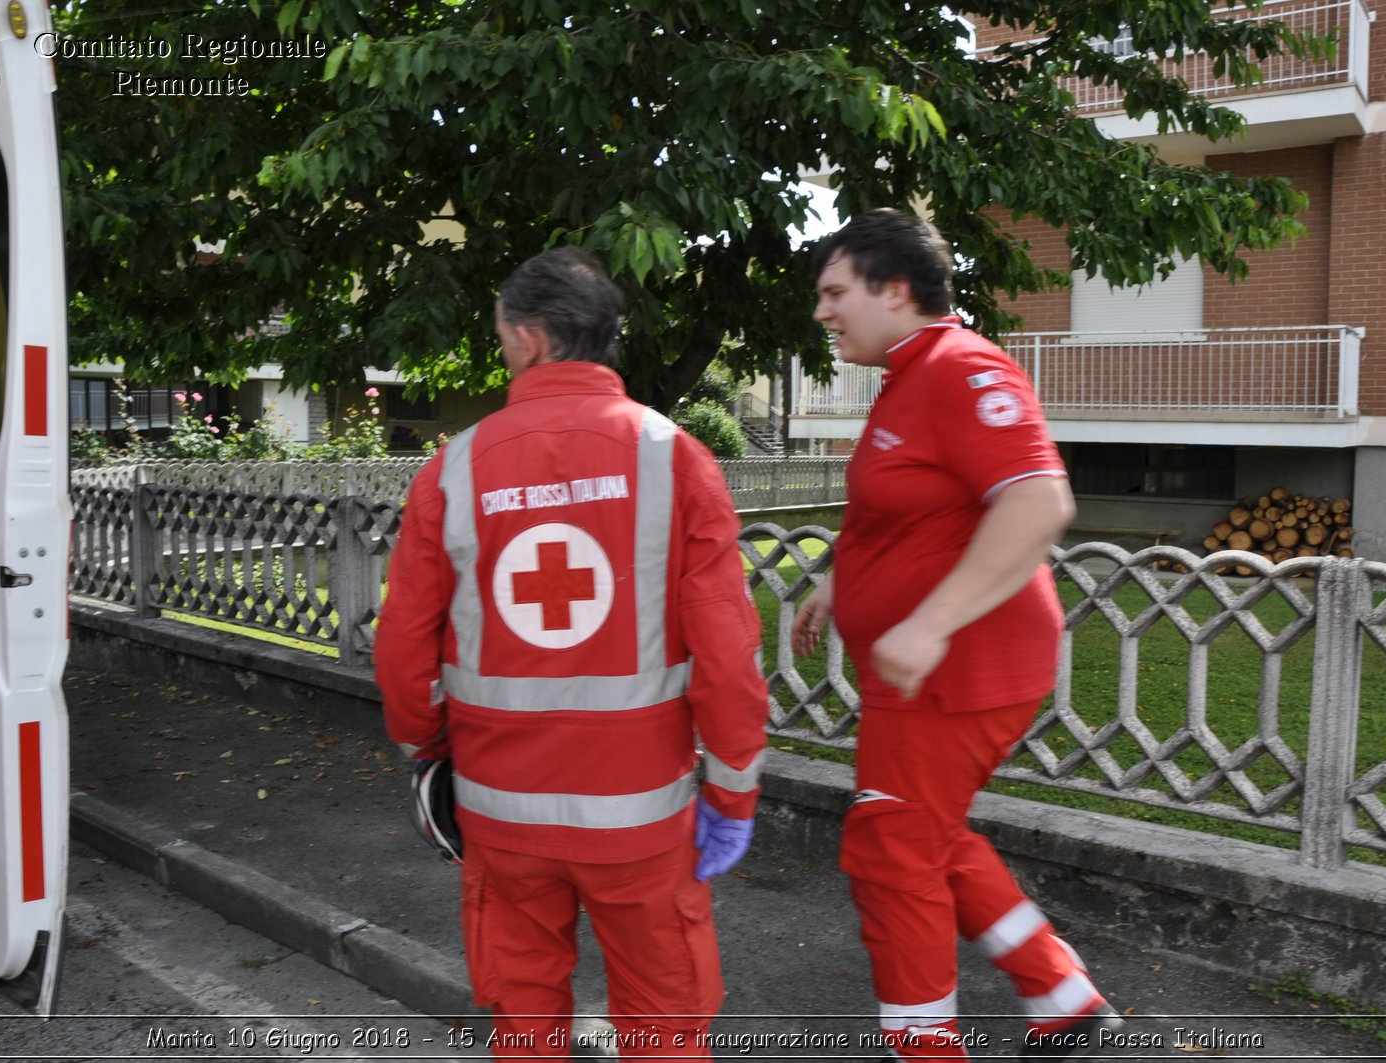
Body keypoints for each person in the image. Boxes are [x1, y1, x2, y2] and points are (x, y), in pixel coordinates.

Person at [375, 247, 768, 1060]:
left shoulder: (451, 471)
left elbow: (405, 645)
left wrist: (428, 750)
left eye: (501, 335)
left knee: (524, 1021)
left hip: (500, 810)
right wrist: (731, 790)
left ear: (530, 339)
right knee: (666, 1022)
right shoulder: (674, 457)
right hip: (643, 821)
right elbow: (728, 653)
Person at [793, 210, 1122, 1060]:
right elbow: (908, 507)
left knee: (890, 853)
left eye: (835, 292)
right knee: (928, 835)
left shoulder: (962, 366)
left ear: (894, 288)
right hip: (929, 675)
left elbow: (1039, 502)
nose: (823, 312)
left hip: (960, 669)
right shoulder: (909, 377)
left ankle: (927, 1047)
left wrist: (930, 622)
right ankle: (1063, 998)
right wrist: (840, 575)